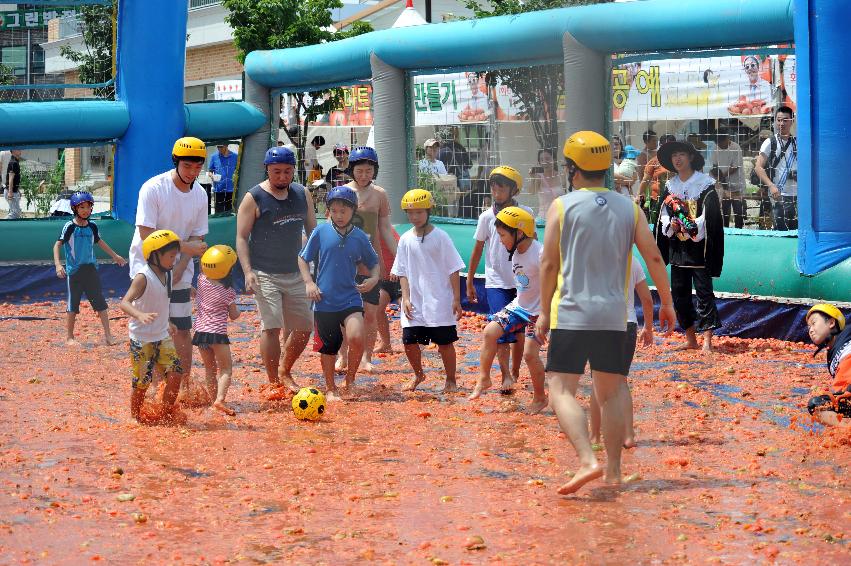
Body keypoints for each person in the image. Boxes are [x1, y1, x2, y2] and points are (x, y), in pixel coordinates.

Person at [535, 130, 676, 494]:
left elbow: (549, 263)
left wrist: (544, 312)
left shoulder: (562, 206)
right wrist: (667, 302)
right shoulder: (628, 208)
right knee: (611, 394)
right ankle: (613, 472)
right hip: (615, 316)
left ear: (571, 167)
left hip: (572, 313)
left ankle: (587, 459)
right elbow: (655, 256)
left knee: (560, 389)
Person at [128, 137, 210, 394]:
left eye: (198, 167)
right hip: (147, 268)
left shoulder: (200, 194)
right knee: (153, 329)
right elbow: (146, 234)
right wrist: (183, 249)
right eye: (187, 166)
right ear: (176, 162)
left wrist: (179, 267)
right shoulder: (153, 188)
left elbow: (197, 238)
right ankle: (155, 384)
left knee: (182, 327)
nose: (193, 172)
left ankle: (183, 384)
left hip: (180, 270)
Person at [236, 146, 316, 396]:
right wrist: (248, 271)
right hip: (264, 272)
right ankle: (273, 380)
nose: (282, 177)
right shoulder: (254, 197)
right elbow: (241, 237)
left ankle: (285, 369)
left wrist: (316, 266)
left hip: (295, 272)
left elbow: (314, 233)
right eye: (277, 172)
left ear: (294, 171)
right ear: (267, 170)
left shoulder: (303, 194)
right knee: (271, 327)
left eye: (287, 172)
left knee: (304, 328)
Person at [297, 187, 379, 401]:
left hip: (350, 297)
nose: (339, 215)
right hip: (323, 300)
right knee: (329, 347)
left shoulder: (360, 236)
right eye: (334, 211)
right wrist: (308, 283)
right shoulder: (320, 232)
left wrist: (373, 279)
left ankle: (350, 380)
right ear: (328, 211)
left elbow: (374, 262)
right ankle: (331, 387)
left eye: (343, 211)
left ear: (353, 211)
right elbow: (303, 258)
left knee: (356, 337)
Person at [469, 207, 548, 414]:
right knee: (489, 332)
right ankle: (484, 378)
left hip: (539, 312)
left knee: (530, 356)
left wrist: (545, 316)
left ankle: (540, 398)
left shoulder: (540, 253)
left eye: (503, 235)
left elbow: (556, 285)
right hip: (520, 306)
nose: (500, 240)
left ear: (519, 233)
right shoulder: (515, 254)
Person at [466, 166, 532, 394]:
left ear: (514, 189)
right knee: (500, 329)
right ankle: (505, 375)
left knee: (520, 330)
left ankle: (515, 371)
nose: (496, 189)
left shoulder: (525, 213)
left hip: (520, 281)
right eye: (493, 184)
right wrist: (470, 279)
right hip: (495, 281)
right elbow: (477, 249)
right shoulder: (486, 217)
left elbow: (531, 247)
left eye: (501, 185)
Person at [392, 189, 465, 392]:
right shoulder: (405, 239)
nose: (414, 217)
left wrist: (456, 299)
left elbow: (454, 268)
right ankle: (418, 374)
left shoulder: (441, 237)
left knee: (445, 343)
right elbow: (402, 270)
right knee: (409, 341)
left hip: (439, 300)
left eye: (419, 212)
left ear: (428, 211)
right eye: (410, 212)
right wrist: (405, 297)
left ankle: (451, 379)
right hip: (415, 301)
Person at [655, 139, 724, 352]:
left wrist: (693, 227)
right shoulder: (670, 186)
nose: (677, 158)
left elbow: (710, 217)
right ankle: (690, 338)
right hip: (678, 248)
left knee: (704, 293)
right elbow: (662, 215)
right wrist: (672, 225)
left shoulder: (705, 184)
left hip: (699, 249)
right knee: (679, 294)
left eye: (681, 154)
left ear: (691, 157)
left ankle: (707, 341)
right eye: (674, 155)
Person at [338, 146, 398, 373]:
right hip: (344, 263)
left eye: (369, 170)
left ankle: (366, 357)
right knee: (343, 313)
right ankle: (342, 355)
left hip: (371, 263)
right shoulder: (342, 192)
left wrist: (400, 258)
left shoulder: (379, 194)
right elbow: (332, 227)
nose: (364, 175)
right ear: (352, 170)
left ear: (375, 171)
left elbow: (385, 229)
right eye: (360, 170)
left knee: (371, 312)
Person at [589, 257, 655, 449]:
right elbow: (647, 300)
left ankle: (595, 436)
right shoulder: (632, 260)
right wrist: (648, 327)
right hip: (628, 325)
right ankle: (628, 435)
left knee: (597, 382)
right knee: (620, 382)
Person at [120, 230, 184, 424]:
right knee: (142, 383)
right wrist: (139, 314)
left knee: (176, 373)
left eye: (175, 255)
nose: (174, 259)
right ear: (155, 255)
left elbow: (162, 302)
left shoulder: (169, 274)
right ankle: (134, 417)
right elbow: (124, 302)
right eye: (171, 256)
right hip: (141, 339)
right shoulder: (143, 277)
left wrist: (168, 321)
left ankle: (165, 414)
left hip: (162, 335)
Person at [53, 191, 127, 346]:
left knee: (100, 303)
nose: (85, 210)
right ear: (75, 209)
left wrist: (115, 255)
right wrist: (58, 265)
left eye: (88, 207)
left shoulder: (92, 227)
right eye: (81, 207)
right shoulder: (69, 227)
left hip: (91, 270)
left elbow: (100, 242)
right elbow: (57, 245)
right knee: (72, 304)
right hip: (74, 272)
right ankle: (70, 337)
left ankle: (108, 336)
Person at [193, 245, 241, 416]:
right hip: (217, 334)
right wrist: (239, 311)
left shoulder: (201, 280)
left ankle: (214, 401)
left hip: (200, 333)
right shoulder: (228, 292)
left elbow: (203, 268)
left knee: (210, 369)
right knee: (226, 369)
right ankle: (220, 399)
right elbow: (234, 315)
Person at [805, 304, 851, 428]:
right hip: (847, 398)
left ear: (831, 322)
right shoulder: (831, 355)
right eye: (809, 327)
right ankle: (847, 429)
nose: (810, 330)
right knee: (817, 406)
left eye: (814, 323)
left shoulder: (848, 332)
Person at [754, 105, 797, 230]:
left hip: (798, 195)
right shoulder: (770, 142)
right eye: (778, 120)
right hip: (778, 195)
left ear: (792, 121)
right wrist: (771, 186)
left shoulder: (797, 142)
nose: (781, 123)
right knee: (781, 232)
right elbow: (758, 167)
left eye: (785, 120)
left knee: (796, 232)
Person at [710, 127, 745, 228]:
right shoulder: (716, 148)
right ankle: (725, 231)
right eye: (718, 143)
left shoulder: (735, 147)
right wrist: (716, 176)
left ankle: (739, 231)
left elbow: (735, 167)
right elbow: (715, 166)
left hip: (737, 185)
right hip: (724, 186)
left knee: (738, 211)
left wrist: (721, 176)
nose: (720, 145)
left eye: (721, 142)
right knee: (725, 211)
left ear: (727, 138)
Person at [637, 133, 676, 225]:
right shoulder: (654, 161)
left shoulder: (679, 161)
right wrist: (638, 196)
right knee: (656, 225)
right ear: (661, 146)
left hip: (677, 199)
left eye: (671, 146)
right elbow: (645, 180)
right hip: (657, 200)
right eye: (664, 146)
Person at [529, 148, 565, 219]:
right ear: (539, 162)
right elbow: (532, 192)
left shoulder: (561, 176)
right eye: (541, 160)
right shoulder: (539, 177)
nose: (545, 162)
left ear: (554, 160)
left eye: (547, 158)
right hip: (544, 218)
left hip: (561, 217)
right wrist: (532, 178)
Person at [208, 144, 238, 214]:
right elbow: (210, 171)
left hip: (231, 189)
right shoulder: (214, 157)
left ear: (226, 145)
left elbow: (238, 170)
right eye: (218, 146)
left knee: (230, 212)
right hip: (219, 189)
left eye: (221, 146)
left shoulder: (235, 156)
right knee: (218, 212)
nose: (219, 148)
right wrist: (212, 176)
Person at [5, 149, 22, 219]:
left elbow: (15, 179)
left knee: (16, 212)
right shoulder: (13, 162)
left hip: (14, 191)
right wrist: (10, 192)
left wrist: (17, 190)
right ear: (13, 151)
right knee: (15, 213)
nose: (20, 150)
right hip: (11, 191)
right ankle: (3, 225)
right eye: (18, 149)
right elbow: (11, 178)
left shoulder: (15, 161)